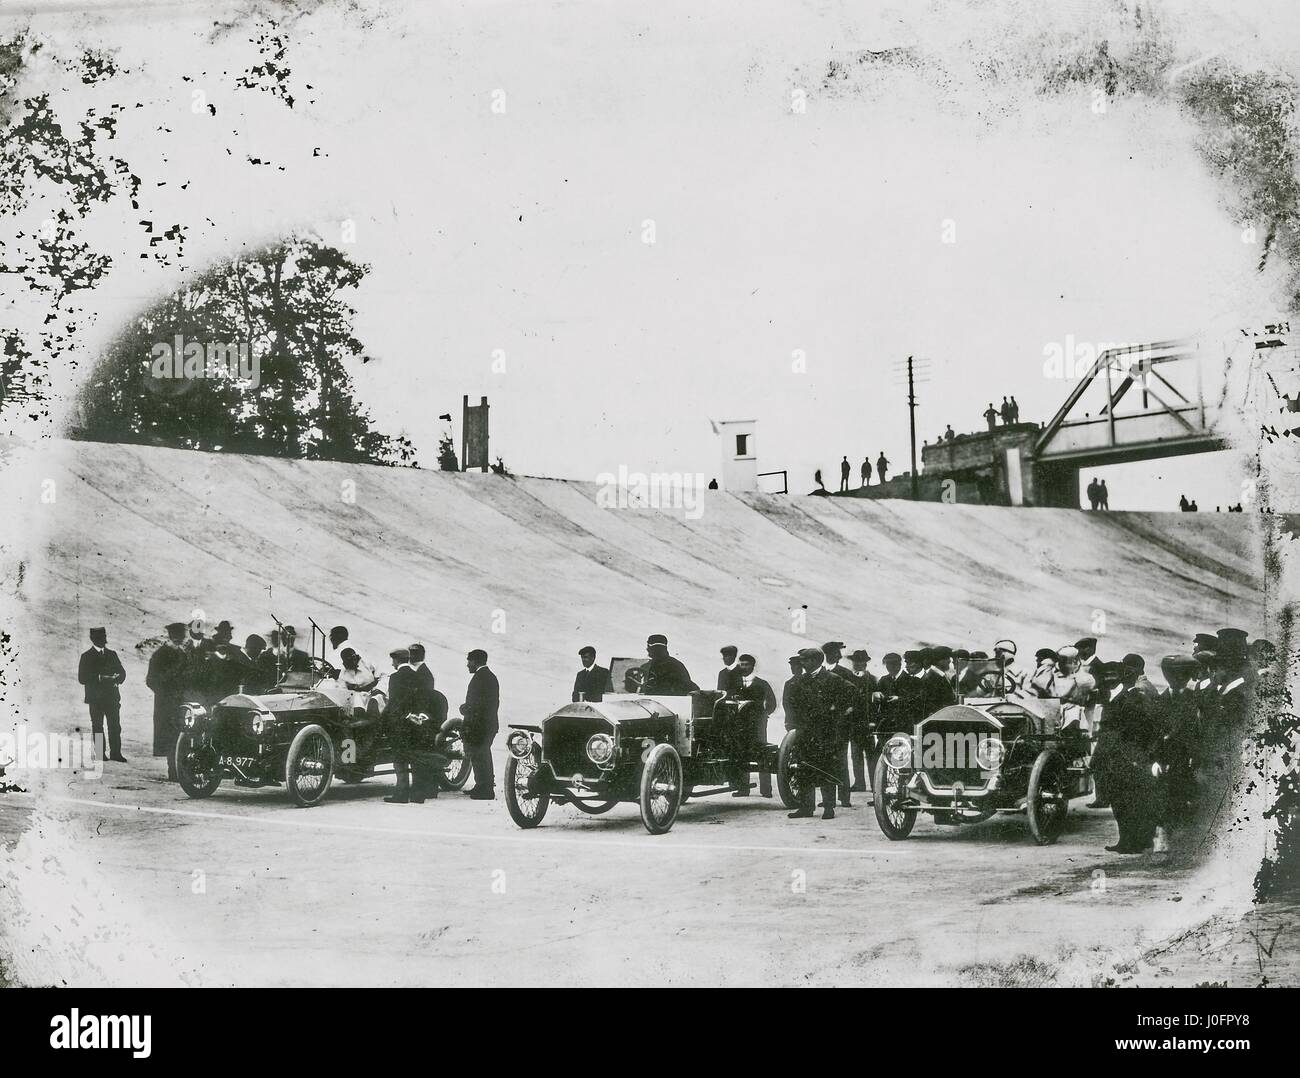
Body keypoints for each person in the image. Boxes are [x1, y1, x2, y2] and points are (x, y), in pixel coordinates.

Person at [786, 647, 852, 821]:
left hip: (826, 733)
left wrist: (836, 711)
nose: (802, 663)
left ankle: (828, 808)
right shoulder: (800, 680)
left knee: (825, 769)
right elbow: (792, 704)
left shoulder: (832, 679)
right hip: (804, 732)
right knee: (803, 769)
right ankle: (806, 807)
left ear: (815, 661)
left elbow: (853, 694)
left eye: (805, 660)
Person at [384, 648, 428, 804]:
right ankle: (418, 795)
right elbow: (423, 700)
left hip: (400, 724)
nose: (392, 663)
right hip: (416, 724)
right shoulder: (418, 676)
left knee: (400, 759)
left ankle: (401, 794)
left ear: (397, 660)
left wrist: (385, 718)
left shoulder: (395, 678)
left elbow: (395, 702)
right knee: (415, 759)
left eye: (393, 660)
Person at [730, 654, 777, 796]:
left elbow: (772, 703)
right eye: (741, 664)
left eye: (746, 664)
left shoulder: (762, 684)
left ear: (752, 666)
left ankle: (766, 790)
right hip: (739, 725)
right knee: (741, 753)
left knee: (761, 753)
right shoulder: (735, 684)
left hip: (757, 725)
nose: (743, 667)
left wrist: (764, 714)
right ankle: (743, 788)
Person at [146, 622, 188, 779]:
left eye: (181, 637)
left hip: (182, 703)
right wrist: (166, 693)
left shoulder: (183, 654)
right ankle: (173, 771)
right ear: (171, 636)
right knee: (171, 737)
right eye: (177, 637)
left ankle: (180, 770)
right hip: (167, 704)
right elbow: (151, 680)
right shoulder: (160, 655)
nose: (179, 640)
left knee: (182, 736)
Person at [78, 627, 127, 763]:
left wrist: (118, 678)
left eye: (104, 636)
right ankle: (100, 754)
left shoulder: (112, 654)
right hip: (96, 699)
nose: (103, 639)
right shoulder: (86, 656)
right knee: (98, 726)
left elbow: (122, 673)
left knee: (115, 726)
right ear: (93, 639)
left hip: (112, 697)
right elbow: (82, 678)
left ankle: (116, 753)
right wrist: (100, 677)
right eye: (99, 637)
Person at [461, 648, 499, 800]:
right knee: (481, 755)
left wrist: (464, 709)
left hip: (480, 726)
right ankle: (481, 785)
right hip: (486, 724)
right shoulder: (488, 676)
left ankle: (486, 790)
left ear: (475, 661)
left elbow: (477, 705)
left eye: (469, 661)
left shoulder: (480, 677)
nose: (467, 665)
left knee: (480, 755)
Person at [846, 648, 877, 794]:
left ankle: (874, 784)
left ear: (865, 663)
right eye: (856, 662)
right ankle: (859, 783)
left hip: (867, 723)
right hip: (853, 723)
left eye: (861, 662)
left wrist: (873, 721)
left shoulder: (871, 680)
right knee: (855, 754)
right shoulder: (849, 679)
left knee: (870, 755)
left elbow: (875, 704)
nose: (858, 664)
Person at [918, 646, 957, 717]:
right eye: (947, 658)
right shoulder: (931, 678)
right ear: (939, 660)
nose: (950, 661)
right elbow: (931, 705)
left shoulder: (940, 675)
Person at [781, 655, 803, 730]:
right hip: (792, 721)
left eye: (795, 666)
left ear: (801, 667)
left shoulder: (808, 681)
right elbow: (785, 703)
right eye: (791, 666)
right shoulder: (788, 683)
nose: (792, 668)